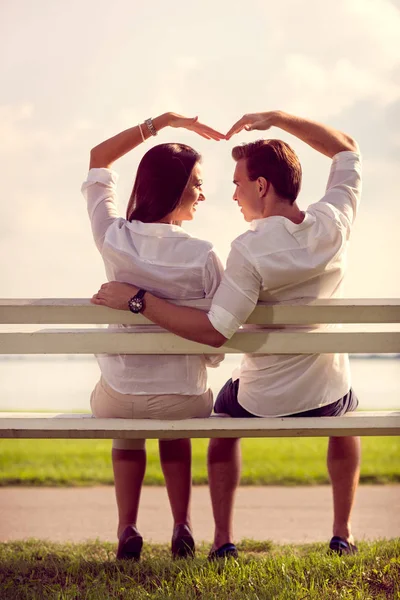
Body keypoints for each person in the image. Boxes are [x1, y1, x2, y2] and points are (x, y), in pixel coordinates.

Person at [91, 110, 362, 559]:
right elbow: (345, 148)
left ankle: (222, 540)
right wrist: (276, 119)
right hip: (327, 393)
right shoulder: (334, 222)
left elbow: (217, 330)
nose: (232, 193)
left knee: (224, 418)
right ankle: (342, 533)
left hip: (261, 400)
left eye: (238, 183)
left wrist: (137, 299)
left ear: (261, 187)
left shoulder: (248, 252)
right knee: (347, 408)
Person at [82, 112, 225, 561]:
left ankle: (127, 528)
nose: (203, 193)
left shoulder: (113, 238)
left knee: (127, 425)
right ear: (175, 188)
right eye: (197, 183)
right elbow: (218, 330)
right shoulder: (203, 255)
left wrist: (160, 123)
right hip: (184, 399)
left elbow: (98, 158)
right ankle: (182, 524)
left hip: (120, 396)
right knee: (174, 418)